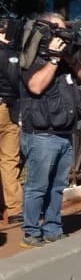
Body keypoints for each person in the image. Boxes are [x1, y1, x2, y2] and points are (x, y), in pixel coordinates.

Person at [18, 13, 81, 249]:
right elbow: (36, 86)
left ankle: (52, 228)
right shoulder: (32, 59)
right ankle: (31, 232)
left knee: (57, 186)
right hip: (41, 135)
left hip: (64, 134)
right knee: (37, 186)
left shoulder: (65, 62)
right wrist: (52, 59)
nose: (63, 35)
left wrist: (69, 59)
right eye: (58, 30)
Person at [0, 18, 23, 226]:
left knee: (9, 160)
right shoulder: (10, 54)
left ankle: (13, 208)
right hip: (9, 109)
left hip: (7, 108)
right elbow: (17, 82)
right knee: (9, 161)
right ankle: (15, 208)